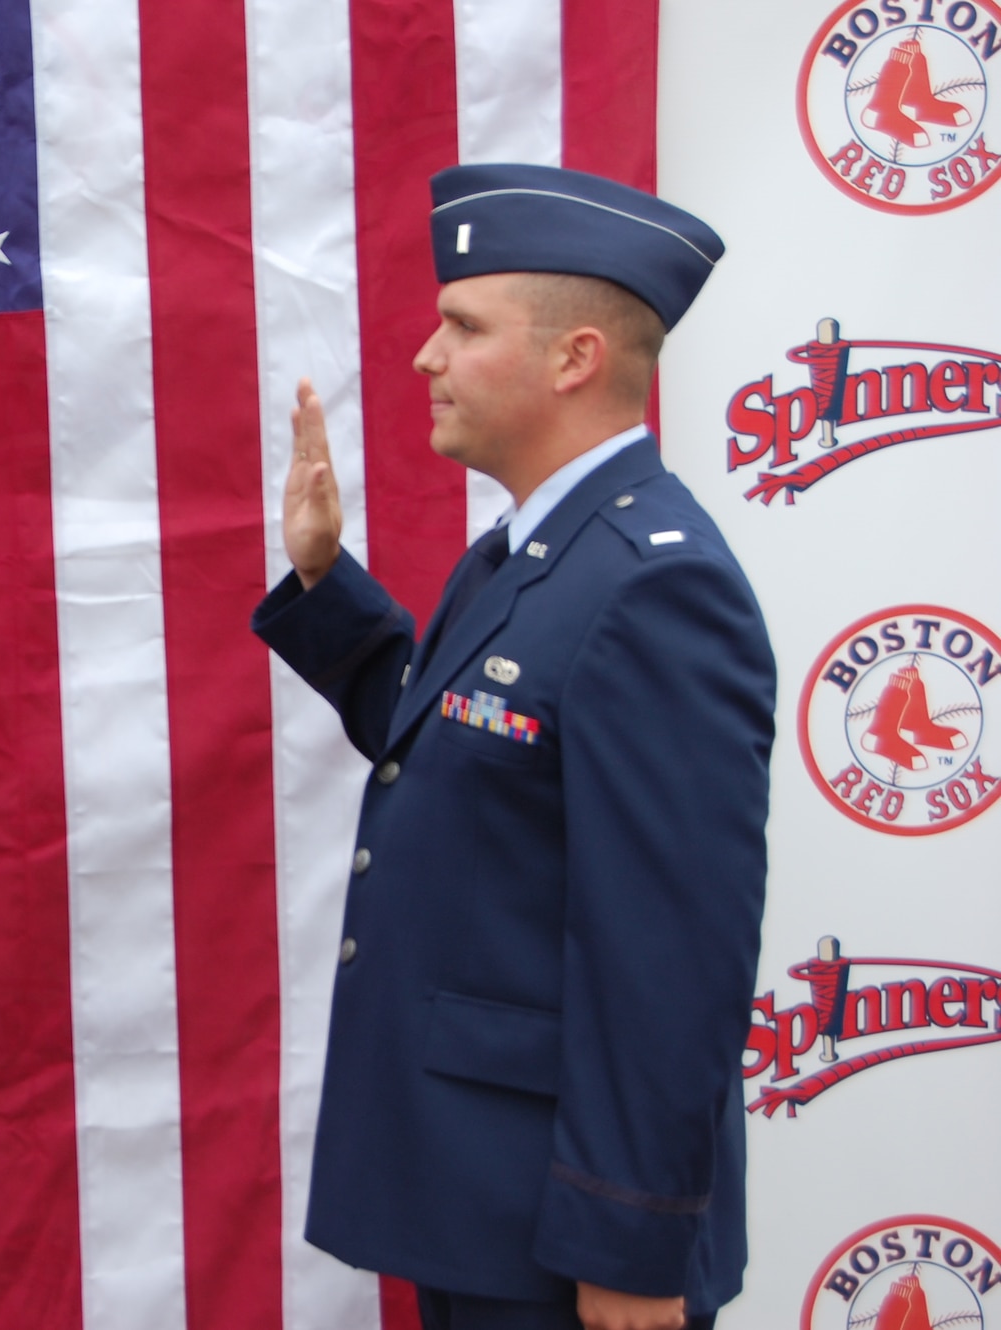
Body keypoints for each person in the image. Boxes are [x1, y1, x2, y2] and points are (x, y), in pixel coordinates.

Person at [252, 164, 774, 1330]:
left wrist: (628, 1243)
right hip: (480, 1196)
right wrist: (326, 583)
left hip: (564, 1235)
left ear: (572, 358)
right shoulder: (529, 554)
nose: (423, 357)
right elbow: (449, 744)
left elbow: (667, 954)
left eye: (460, 325)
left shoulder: (654, 583)